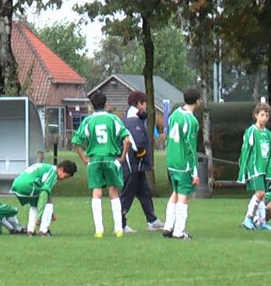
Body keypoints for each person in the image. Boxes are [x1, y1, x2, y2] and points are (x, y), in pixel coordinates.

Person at [72, 91, 130, 238]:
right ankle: (119, 229)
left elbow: (76, 142)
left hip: (95, 159)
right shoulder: (113, 119)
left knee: (96, 192)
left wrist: (84, 158)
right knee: (113, 192)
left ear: (92, 104)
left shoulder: (88, 121)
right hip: (111, 158)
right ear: (105, 103)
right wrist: (122, 156)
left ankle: (99, 230)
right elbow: (127, 140)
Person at [119, 91, 162, 234]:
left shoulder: (134, 118)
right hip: (133, 164)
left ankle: (152, 220)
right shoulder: (133, 120)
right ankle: (121, 224)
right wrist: (142, 155)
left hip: (138, 165)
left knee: (145, 192)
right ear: (138, 104)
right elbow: (137, 142)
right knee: (127, 195)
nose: (146, 106)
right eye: (144, 103)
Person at [161, 88, 201, 240]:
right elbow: (190, 147)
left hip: (171, 160)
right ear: (197, 100)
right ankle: (179, 231)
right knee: (184, 195)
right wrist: (195, 171)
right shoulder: (192, 121)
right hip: (183, 163)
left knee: (175, 192)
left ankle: (168, 226)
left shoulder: (174, 114)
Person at [11, 160, 77, 236]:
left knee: (35, 203)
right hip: (28, 185)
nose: (63, 179)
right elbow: (44, 194)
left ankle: (30, 230)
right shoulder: (53, 173)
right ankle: (44, 231)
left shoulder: (47, 167)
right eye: (65, 176)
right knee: (48, 201)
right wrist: (39, 218)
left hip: (16, 185)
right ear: (61, 169)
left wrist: (51, 213)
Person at [238, 102, 271, 230]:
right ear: (256, 115)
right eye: (262, 115)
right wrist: (243, 169)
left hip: (264, 169)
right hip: (255, 168)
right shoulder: (251, 131)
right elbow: (246, 150)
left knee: (262, 194)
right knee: (260, 193)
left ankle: (262, 221)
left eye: (266, 115)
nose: (264, 118)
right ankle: (248, 218)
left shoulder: (268, 134)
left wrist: (270, 171)